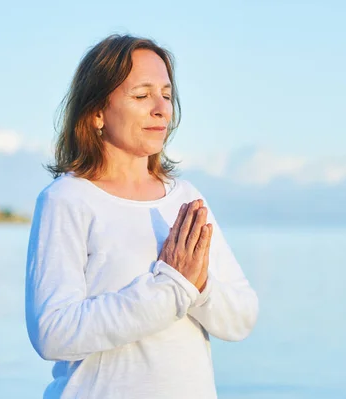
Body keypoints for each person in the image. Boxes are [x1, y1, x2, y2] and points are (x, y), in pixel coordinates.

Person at [24, 34, 259, 399]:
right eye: (141, 95)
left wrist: (199, 287)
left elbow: (242, 317)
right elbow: (52, 333)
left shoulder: (186, 198)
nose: (161, 109)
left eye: (166, 94)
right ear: (97, 112)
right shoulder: (67, 199)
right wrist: (171, 287)